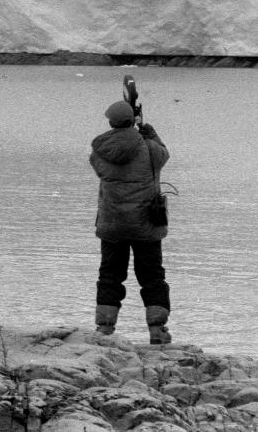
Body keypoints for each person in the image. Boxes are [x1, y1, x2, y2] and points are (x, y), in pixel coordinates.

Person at [90, 98, 173, 343]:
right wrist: (148, 131)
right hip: (146, 224)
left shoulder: (99, 150)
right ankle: (157, 330)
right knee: (152, 277)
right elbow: (163, 155)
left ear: (111, 122)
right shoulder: (149, 148)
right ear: (131, 120)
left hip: (112, 224)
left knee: (110, 275)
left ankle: (104, 329)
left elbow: (101, 164)